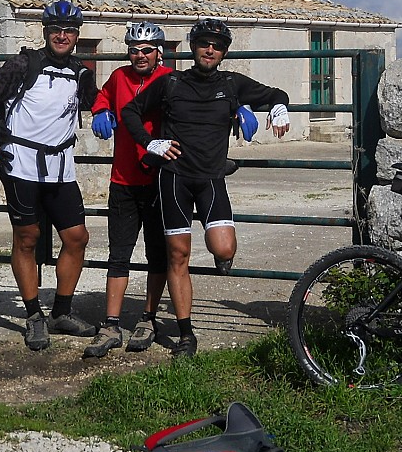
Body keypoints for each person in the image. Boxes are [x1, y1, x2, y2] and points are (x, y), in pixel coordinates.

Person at [121, 18, 290, 358]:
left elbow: (276, 93)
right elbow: (130, 111)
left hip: (211, 177)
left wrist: (279, 107)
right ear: (193, 47)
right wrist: (149, 143)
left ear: (223, 52)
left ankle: (219, 253)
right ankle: (186, 334)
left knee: (224, 249)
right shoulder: (171, 83)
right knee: (178, 255)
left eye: (216, 45)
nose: (209, 49)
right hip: (174, 176)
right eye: (203, 43)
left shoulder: (232, 84)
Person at [0, 0, 98, 351]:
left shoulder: (81, 73)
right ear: (45, 31)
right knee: (27, 238)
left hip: (61, 167)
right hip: (20, 164)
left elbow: (99, 101)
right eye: (56, 30)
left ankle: (62, 312)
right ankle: (34, 315)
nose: (62, 36)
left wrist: (105, 112)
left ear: (76, 34)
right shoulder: (23, 65)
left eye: (69, 31)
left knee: (77, 238)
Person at [83, 21, 172, 358]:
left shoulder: (169, 80)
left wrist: (238, 108)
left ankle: (149, 317)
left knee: (156, 253)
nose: (139, 55)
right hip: (123, 179)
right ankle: (110, 323)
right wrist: (101, 110)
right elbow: (103, 96)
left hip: (158, 179)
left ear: (158, 53)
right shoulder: (119, 77)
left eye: (146, 50)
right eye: (134, 50)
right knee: (118, 254)